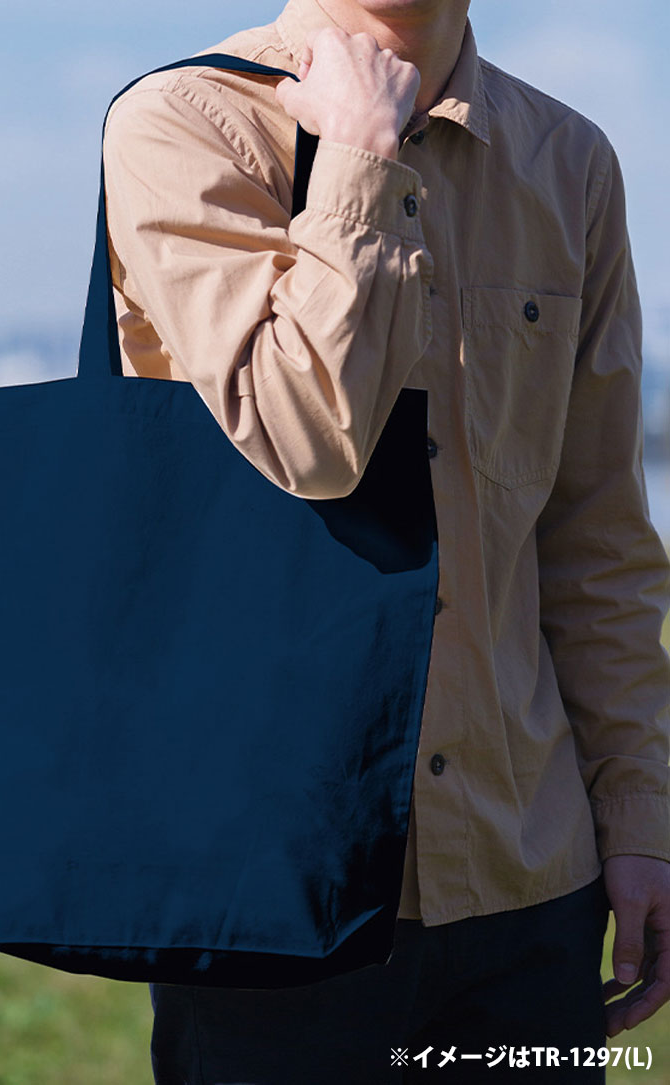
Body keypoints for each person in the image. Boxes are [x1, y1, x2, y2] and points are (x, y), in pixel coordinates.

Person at [100, 0, 670, 1080]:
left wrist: (640, 817)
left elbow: (594, 535)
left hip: (527, 871)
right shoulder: (187, 118)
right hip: (276, 869)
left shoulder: (568, 160)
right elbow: (304, 436)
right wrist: (359, 160)